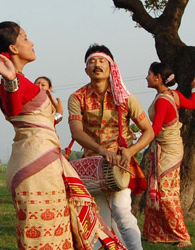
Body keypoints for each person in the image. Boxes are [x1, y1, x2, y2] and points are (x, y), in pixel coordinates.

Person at [0, 20, 125, 250]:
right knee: (42, 233)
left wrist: (56, 115)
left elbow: (32, 117)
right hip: (35, 168)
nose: (31, 42)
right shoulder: (11, 82)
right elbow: (13, 108)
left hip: (46, 163)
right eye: (25, 37)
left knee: (59, 229)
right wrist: (10, 80)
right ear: (13, 48)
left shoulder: (23, 81)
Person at [66, 44, 152, 250]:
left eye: (102, 61)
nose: (97, 65)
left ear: (111, 66)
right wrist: (102, 151)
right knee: (98, 220)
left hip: (120, 165)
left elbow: (148, 130)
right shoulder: (77, 98)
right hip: (92, 166)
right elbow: (76, 132)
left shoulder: (125, 98)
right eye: (92, 62)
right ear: (86, 70)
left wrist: (131, 151)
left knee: (122, 213)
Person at [140, 62, 195, 246]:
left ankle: (182, 236)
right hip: (170, 148)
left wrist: (136, 141)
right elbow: (193, 104)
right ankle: (153, 233)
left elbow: (156, 129)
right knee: (156, 189)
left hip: (168, 151)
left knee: (165, 193)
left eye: (149, 74)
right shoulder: (174, 95)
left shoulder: (163, 100)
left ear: (158, 77)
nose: (146, 77)